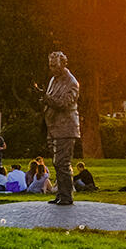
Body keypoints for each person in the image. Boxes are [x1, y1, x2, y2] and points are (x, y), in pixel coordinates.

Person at [40, 51, 81, 205]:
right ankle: (61, 193)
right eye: (50, 66)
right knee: (57, 163)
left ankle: (66, 196)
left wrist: (46, 98)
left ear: (63, 64)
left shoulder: (71, 82)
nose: (52, 69)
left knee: (63, 163)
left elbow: (64, 103)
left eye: (55, 66)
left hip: (66, 128)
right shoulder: (53, 80)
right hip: (53, 127)